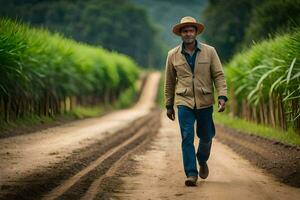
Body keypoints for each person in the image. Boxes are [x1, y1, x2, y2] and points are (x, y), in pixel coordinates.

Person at [164, 16, 228, 186]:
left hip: (205, 100)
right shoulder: (172, 55)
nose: (188, 33)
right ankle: (191, 174)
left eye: (191, 30)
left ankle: (202, 159)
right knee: (187, 136)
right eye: (185, 31)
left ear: (196, 32)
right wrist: (169, 105)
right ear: (181, 34)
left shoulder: (210, 51)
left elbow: (219, 75)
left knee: (206, 136)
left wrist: (222, 96)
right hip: (184, 101)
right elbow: (169, 81)